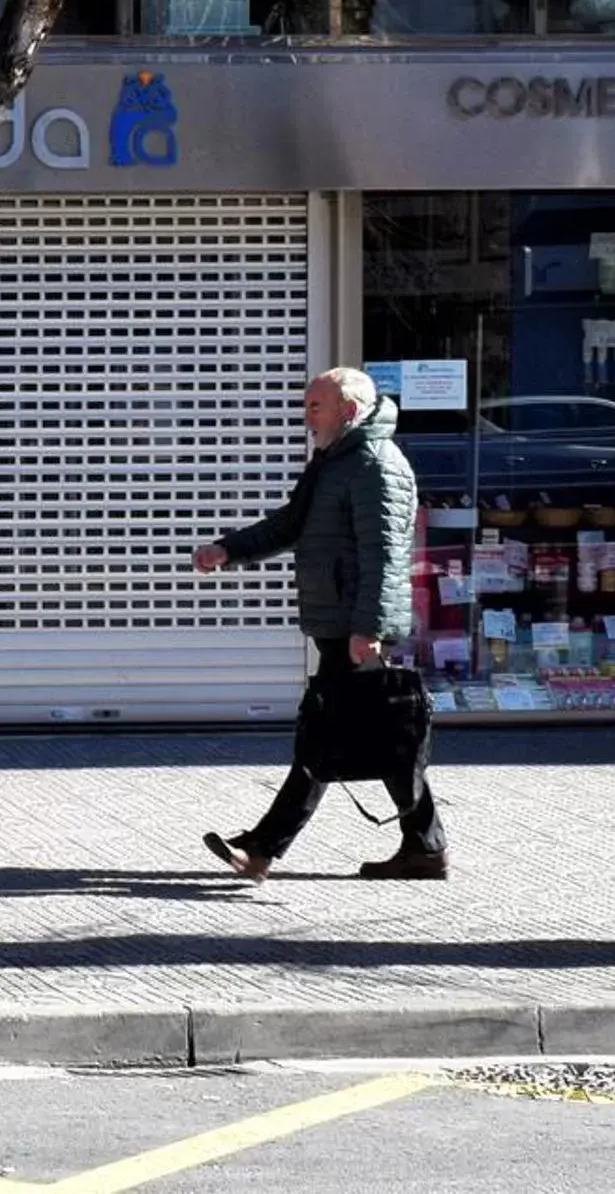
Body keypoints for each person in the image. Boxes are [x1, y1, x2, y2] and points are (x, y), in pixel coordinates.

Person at [193, 367, 448, 881]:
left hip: (355, 624)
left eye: (315, 406)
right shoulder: (335, 461)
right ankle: (425, 845)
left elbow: (386, 557)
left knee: (323, 733)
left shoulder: (376, 466)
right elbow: (293, 522)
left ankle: (262, 848)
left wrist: (369, 628)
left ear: (348, 410)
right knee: (383, 735)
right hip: (339, 618)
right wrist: (229, 549)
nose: (306, 416)